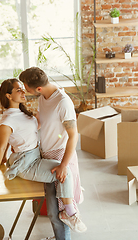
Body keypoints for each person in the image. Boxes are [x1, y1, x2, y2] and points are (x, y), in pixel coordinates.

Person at [0, 78, 86, 234]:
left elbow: (25, 131)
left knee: (64, 169)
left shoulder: (23, 113)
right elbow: (1, 147)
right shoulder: (7, 121)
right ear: (8, 96)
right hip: (25, 163)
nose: (24, 92)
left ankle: (67, 213)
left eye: (23, 89)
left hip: (37, 156)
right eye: (19, 90)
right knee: (64, 172)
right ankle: (69, 212)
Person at [19, 67, 85, 240]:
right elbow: (41, 122)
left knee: (60, 212)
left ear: (38, 88)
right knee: (53, 211)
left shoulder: (63, 102)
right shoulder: (43, 97)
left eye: (26, 88)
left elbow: (73, 136)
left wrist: (63, 165)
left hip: (60, 157)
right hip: (46, 155)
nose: (25, 91)